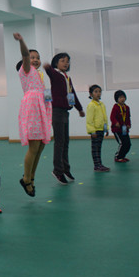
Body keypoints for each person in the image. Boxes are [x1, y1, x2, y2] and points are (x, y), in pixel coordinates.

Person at [12, 33, 52, 197]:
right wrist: (22, 41)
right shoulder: (26, 70)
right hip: (33, 108)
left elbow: (47, 94)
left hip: (42, 109)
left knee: (41, 146)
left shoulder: (39, 75)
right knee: (34, 146)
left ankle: (31, 177)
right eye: (32, 57)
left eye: (38, 58)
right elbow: (25, 54)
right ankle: (26, 179)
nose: (35, 60)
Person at [43, 53, 85, 185]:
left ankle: (66, 169)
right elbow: (49, 72)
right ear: (56, 63)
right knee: (59, 142)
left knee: (65, 142)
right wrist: (47, 67)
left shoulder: (67, 77)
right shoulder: (55, 75)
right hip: (57, 111)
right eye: (62, 61)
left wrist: (79, 108)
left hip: (65, 112)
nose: (66, 63)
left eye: (67, 61)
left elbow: (72, 94)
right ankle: (57, 171)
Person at [86, 85, 109, 172]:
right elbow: (89, 120)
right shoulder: (91, 105)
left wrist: (106, 128)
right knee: (95, 149)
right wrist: (92, 131)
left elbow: (105, 117)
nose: (98, 93)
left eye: (99, 91)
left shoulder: (102, 104)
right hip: (95, 131)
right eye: (96, 91)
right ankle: (97, 165)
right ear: (91, 94)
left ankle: (100, 164)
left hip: (101, 129)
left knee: (99, 148)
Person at [110, 90, 131, 163]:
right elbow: (112, 117)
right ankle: (118, 156)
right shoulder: (115, 107)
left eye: (123, 97)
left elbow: (128, 117)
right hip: (117, 130)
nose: (122, 99)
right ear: (116, 99)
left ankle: (122, 156)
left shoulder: (127, 107)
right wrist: (115, 122)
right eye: (120, 97)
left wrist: (129, 124)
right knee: (122, 143)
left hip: (124, 129)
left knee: (128, 144)